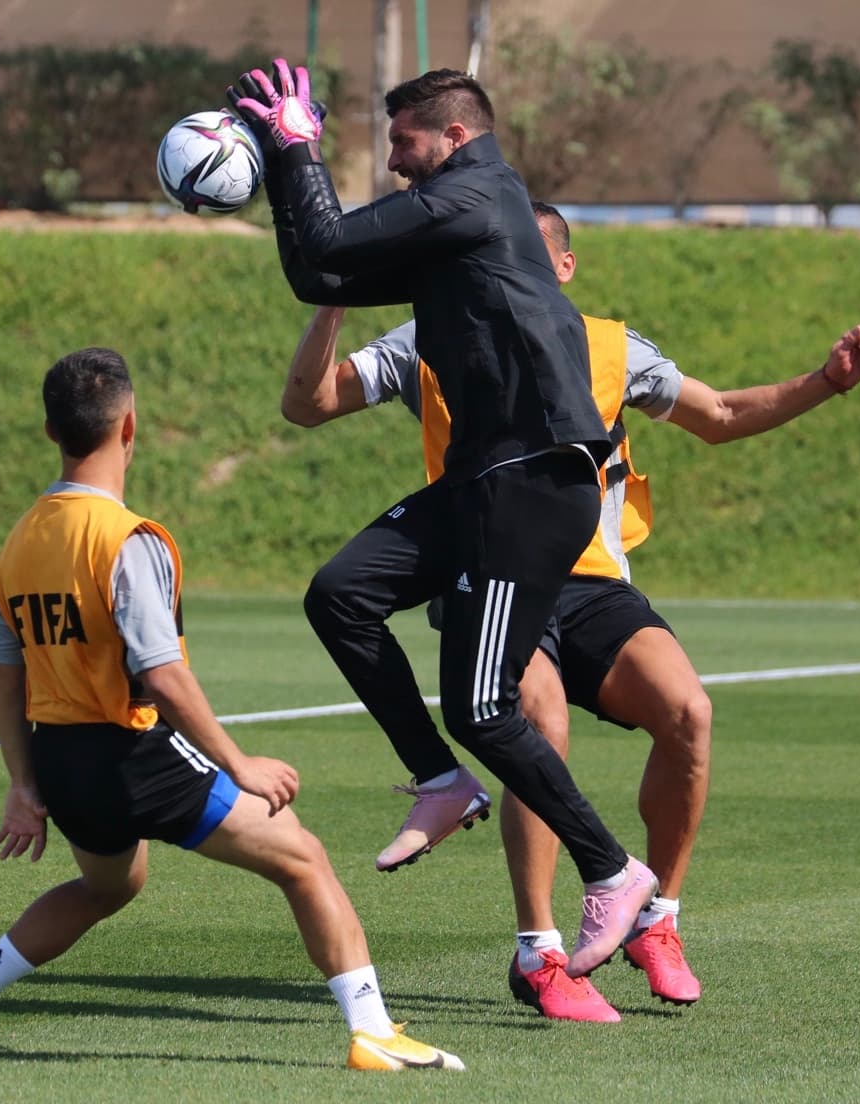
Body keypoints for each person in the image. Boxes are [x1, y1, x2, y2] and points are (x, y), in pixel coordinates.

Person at [280, 202, 860, 1021]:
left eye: (528, 257)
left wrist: (826, 382)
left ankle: (656, 922)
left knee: (688, 713)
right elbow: (313, 401)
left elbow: (719, 417)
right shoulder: (436, 335)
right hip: (488, 570)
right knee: (531, 718)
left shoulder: (610, 346)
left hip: (592, 579)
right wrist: (332, 296)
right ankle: (541, 954)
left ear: (563, 269)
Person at [0, 347, 464, 1073]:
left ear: (51, 431)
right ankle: (373, 1034)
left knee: (111, 884)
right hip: (133, 752)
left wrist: (23, 783)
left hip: (62, 759)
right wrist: (240, 764)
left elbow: (4, 671)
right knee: (302, 859)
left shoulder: (20, 539)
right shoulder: (127, 539)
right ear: (130, 425)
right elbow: (161, 676)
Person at [228, 62, 658, 980]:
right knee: (339, 594)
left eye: (402, 140)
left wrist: (297, 146)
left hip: (534, 480)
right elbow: (318, 267)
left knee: (483, 705)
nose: (391, 159)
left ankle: (614, 869)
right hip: (481, 479)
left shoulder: (479, 193)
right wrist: (277, 157)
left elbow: (333, 239)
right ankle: (438, 780)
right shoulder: (453, 223)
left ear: (453, 137)